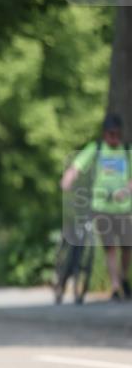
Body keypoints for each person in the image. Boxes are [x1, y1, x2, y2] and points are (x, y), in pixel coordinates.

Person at [61, 112, 132, 301]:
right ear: (105, 134)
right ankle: (115, 287)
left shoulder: (127, 151)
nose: (114, 138)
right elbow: (77, 165)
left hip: (123, 207)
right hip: (100, 205)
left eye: (117, 134)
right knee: (110, 247)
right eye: (110, 134)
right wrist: (68, 178)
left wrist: (126, 190)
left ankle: (124, 278)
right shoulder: (97, 148)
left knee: (127, 247)